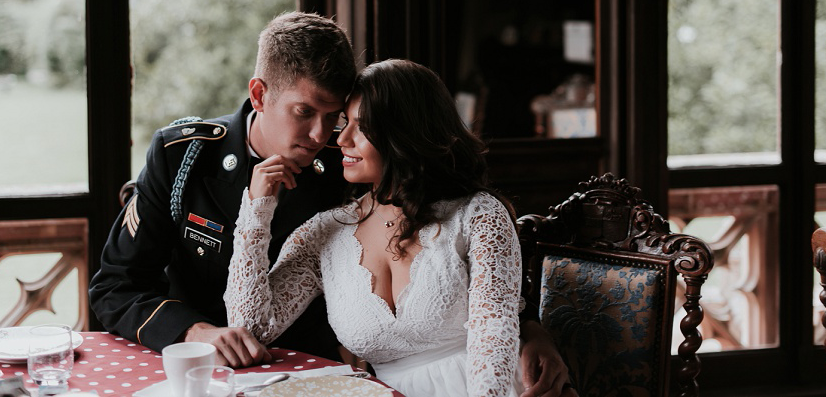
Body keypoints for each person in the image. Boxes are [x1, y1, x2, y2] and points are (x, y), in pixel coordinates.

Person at [224, 59, 576, 397]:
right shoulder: (325, 232)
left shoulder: (479, 214)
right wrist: (257, 209)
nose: (341, 139)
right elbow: (251, 327)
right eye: (344, 122)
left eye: (360, 126)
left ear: (404, 133)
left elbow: (493, 336)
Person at [89, 11, 357, 367]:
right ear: (259, 94)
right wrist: (193, 332)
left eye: (332, 116)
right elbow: (114, 287)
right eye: (304, 112)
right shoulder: (184, 158)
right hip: (195, 368)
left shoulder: (346, 167)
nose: (319, 135)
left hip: (305, 370)